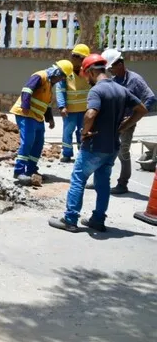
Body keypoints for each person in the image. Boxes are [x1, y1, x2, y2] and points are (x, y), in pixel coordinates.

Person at [50, 54, 147, 232]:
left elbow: (90, 114)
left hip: (94, 146)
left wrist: (85, 132)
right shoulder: (121, 89)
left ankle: (70, 219)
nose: (86, 80)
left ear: (91, 72)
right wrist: (122, 127)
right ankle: (98, 219)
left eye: (86, 76)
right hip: (112, 147)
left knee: (78, 179)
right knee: (103, 183)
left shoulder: (96, 91)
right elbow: (142, 109)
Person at [100, 48, 157, 194]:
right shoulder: (113, 81)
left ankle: (122, 184)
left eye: (111, 67)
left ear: (120, 64)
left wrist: (134, 116)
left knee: (123, 152)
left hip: (127, 123)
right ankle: (100, 181)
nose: (110, 71)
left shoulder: (135, 80)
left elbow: (151, 98)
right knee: (106, 150)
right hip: (113, 121)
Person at [9, 60, 73, 181]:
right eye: (61, 77)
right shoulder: (40, 76)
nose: (61, 80)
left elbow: (46, 105)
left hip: (37, 117)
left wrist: (50, 119)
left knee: (38, 143)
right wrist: (25, 106)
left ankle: (31, 169)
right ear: (56, 72)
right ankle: (19, 171)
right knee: (27, 142)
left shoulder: (49, 86)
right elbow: (27, 90)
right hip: (26, 115)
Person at [54, 44, 91, 163]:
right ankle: (67, 153)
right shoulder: (66, 72)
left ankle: (82, 152)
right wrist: (62, 106)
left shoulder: (87, 72)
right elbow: (60, 90)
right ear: (75, 57)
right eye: (82, 58)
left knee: (82, 131)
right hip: (70, 110)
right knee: (67, 132)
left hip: (85, 109)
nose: (83, 61)